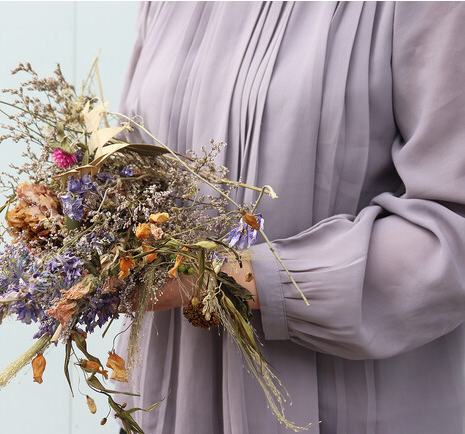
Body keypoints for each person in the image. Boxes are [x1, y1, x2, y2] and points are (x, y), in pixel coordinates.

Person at [115, 2, 465, 433]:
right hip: (169, 399)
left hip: (341, 404)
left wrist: (221, 278)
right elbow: (132, 157)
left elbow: (452, 228)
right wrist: (78, 223)